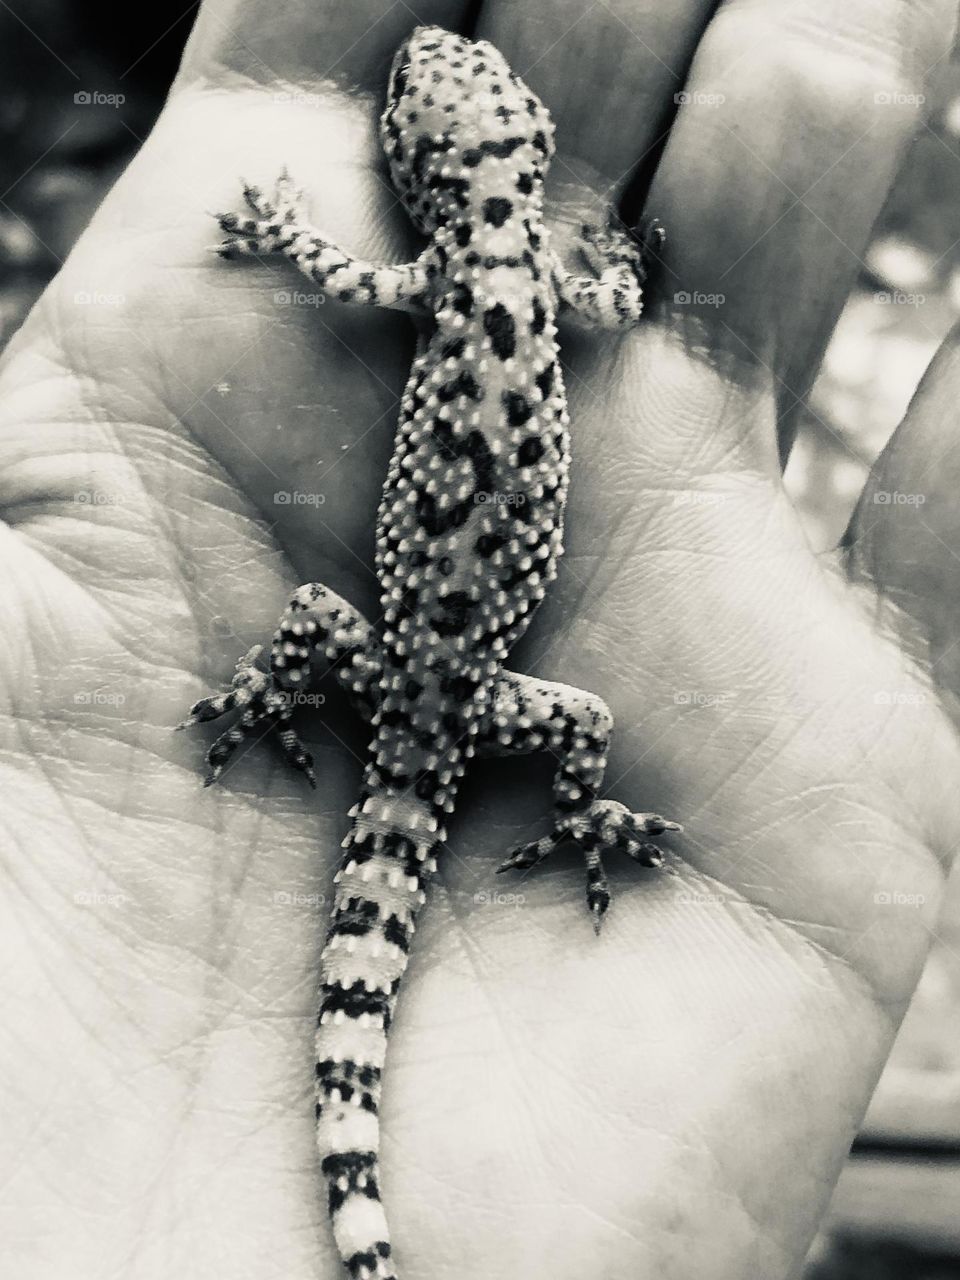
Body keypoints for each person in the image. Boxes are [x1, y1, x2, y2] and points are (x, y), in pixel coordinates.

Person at [2, 1, 958, 1276]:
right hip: (455, 679)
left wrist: (279, 230)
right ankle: (560, 837)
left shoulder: (430, 275)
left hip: (410, 667)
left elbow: (333, 276)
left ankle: (361, 1182)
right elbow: (619, 297)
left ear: (411, 171)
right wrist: (624, 254)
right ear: (528, 149)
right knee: (580, 726)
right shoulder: (551, 283)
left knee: (341, 642)